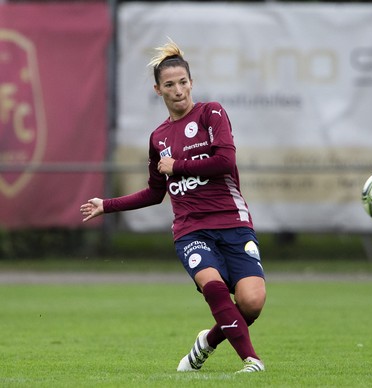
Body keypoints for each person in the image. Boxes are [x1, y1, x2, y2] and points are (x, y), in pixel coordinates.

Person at [80, 38, 266, 374]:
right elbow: (154, 193)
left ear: (191, 83)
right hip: (190, 229)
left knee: (251, 303)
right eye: (169, 85)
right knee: (215, 289)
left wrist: (177, 166)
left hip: (233, 222)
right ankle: (252, 362)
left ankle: (205, 343)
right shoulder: (158, 138)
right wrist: (107, 205)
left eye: (183, 82)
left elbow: (224, 161)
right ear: (157, 90)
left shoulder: (211, 113)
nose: (178, 90)